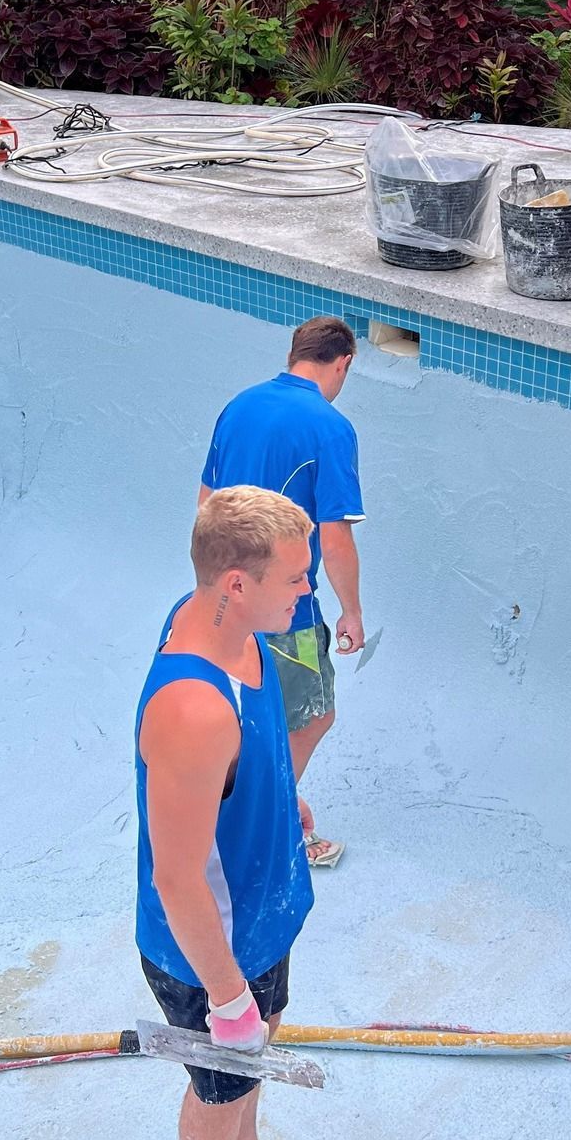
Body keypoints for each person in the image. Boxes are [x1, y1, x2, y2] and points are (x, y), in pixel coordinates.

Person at [136, 486, 344, 1140]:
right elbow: (177, 875)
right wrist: (225, 996)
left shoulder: (237, 630)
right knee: (221, 1082)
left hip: (262, 913)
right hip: (211, 949)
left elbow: (236, 763)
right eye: (295, 578)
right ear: (235, 583)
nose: (307, 593)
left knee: (254, 1065)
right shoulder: (191, 706)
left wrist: (270, 791)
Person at [200, 315, 366, 868]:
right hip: (284, 609)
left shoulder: (238, 406)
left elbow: (207, 505)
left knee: (254, 712)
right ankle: (264, 821)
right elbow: (335, 538)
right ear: (341, 363)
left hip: (226, 598)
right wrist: (351, 612)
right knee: (314, 715)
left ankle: (263, 805)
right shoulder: (330, 427)